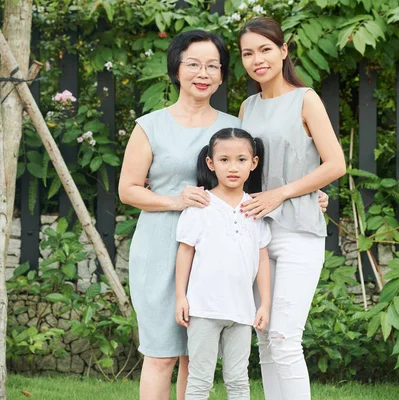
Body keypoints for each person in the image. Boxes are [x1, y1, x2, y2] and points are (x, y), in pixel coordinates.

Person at [118, 30, 241, 400]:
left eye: (212, 65)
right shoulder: (150, 125)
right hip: (159, 249)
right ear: (176, 69)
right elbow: (128, 190)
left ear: (221, 75)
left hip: (214, 254)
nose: (202, 73)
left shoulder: (234, 125)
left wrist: (311, 197)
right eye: (193, 64)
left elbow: (255, 182)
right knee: (161, 356)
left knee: (197, 358)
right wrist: (176, 200)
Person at [237, 17, 347, 400]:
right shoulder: (247, 107)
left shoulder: (306, 98)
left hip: (298, 231)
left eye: (265, 49)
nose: (257, 59)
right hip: (257, 235)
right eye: (248, 53)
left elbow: (335, 164)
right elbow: (237, 166)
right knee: (265, 337)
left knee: (285, 337)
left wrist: (285, 193)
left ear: (283, 51)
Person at [175, 128, 271, 400]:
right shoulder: (200, 206)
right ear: (210, 163)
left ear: (253, 163)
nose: (233, 167)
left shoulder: (256, 208)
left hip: (242, 312)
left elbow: (262, 258)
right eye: (224, 160)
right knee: (199, 380)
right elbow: (185, 252)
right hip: (204, 309)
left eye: (241, 160)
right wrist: (180, 296)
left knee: (239, 381)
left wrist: (264, 303)